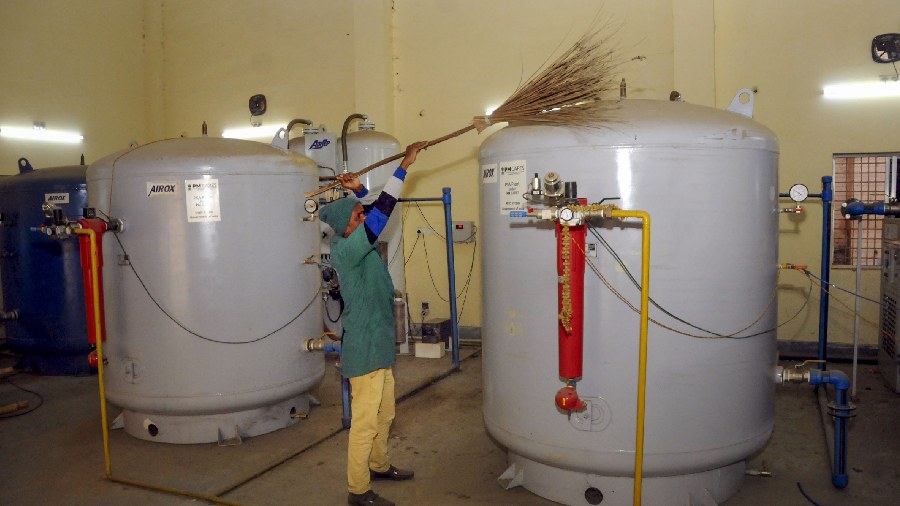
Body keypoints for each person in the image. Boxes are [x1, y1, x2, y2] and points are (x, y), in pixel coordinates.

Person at [318, 141, 429, 506]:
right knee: (364, 422)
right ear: (344, 229)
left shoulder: (355, 240)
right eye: (355, 217)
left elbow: (370, 213)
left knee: (386, 412)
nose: (362, 217)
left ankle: (379, 465)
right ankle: (358, 490)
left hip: (379, 340)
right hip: (364, 347)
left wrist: (359, 192)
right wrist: (404, 165)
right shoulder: (347, 251)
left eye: (359, 213)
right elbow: (380, 213)